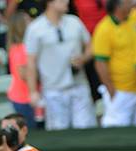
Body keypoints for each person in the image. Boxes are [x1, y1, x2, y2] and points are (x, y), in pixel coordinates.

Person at [24, 0, 96, 131]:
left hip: (79, 85)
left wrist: (83, 59)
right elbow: (31, 62)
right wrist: (33, 91)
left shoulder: (74, 21)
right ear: (50, 3)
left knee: (86, 129)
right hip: (53, 90)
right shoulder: (35, 28)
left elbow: (91, 47)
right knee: (58, 131)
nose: (67, 1)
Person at [92, 0, 136, 127]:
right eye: (128, 2)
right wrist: (112, 90)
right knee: (117, 131)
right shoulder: (104, 29)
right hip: (121, 91)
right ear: (118, 6)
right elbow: (100, 63)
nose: (132, 3)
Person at [6, 11, 35, 129]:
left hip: (23, 97)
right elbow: (24, 74)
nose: (32, 22)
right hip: (24, 99)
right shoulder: (21, 48)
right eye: (28, 20)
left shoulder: (16, 47)